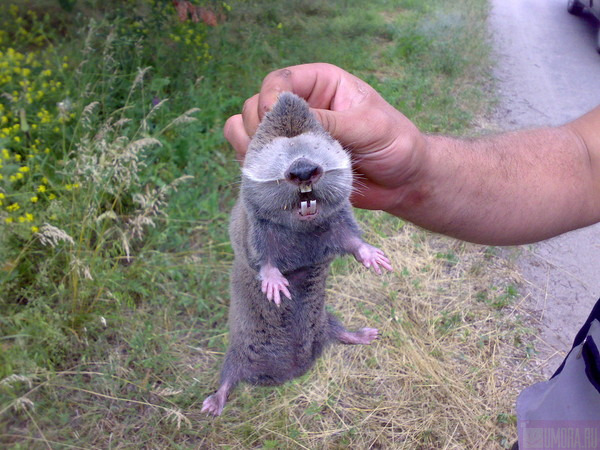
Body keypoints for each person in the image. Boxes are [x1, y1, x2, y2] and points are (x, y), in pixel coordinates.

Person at [224, 63, 600, 448]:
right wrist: (415, 178)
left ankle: (331, 334)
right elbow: (588, 159)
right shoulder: (279, 207)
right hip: (574, 419)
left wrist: (359, 246)